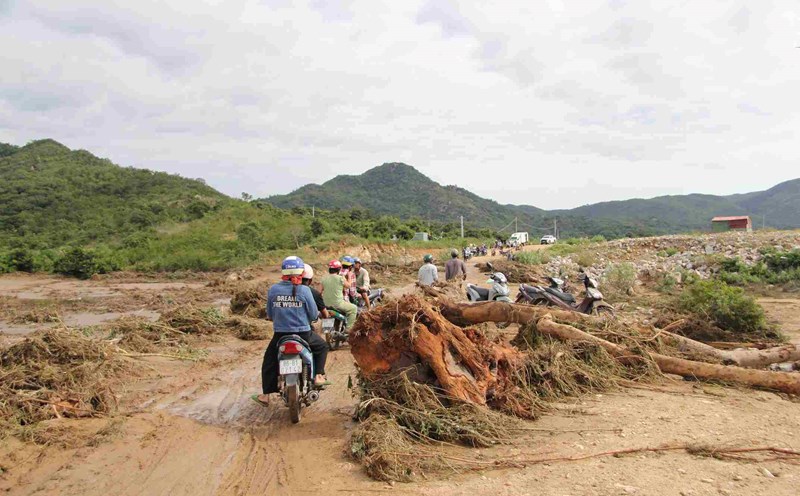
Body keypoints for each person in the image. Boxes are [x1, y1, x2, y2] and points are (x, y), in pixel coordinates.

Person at [255, 256, 329, 406]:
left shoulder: (274, 289)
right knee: (322, 347)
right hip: (303, 334)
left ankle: (266, 395)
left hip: (281, 335)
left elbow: (269, 314)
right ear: (300, 273)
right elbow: (314, 314)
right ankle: (319, 376)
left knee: (269, 360)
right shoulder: (304, 290)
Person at [321, 260, 358, 330]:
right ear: (339, 269)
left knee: (326, 329)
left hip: (325, 304)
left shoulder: (324, 279)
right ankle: (348, 330)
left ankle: (327, 329)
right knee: (354, 308)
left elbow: (319, 292)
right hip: (338, 304)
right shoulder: (341, 278)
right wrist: (349, 276)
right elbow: (349, 286)